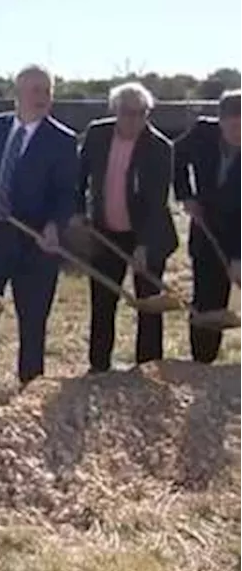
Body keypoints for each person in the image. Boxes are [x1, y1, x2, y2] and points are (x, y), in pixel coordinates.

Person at [0, 64, 79, 393]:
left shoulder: (63, 140)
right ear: (17, 94)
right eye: (35, 90)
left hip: (36, 244)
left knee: (33, 319)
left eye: (47, 90)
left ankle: (30, 386)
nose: (42, 97)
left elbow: (68, 193)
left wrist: (55, 226)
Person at [73, 81, 177, 373]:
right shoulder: (97, 134)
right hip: (105, 231)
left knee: (149, 303)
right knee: (103, 301)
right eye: (127, 112)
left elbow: (157, 202)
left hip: (147, 234)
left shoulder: (159, 147)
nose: (134, 119)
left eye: (141, 113)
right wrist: (78, 212)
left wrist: (144, 246)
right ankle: (99, 367)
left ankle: (148, 366)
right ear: (115, 111)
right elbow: (79, 177)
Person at [173, 87, 242, 364]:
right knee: (206, 300)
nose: (239, 134)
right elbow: (175, 157)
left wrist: (238, 257)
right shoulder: (201, 133)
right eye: (235, 126)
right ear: (220, 121)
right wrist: (186, 195)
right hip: (206, 230)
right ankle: (202, 363)